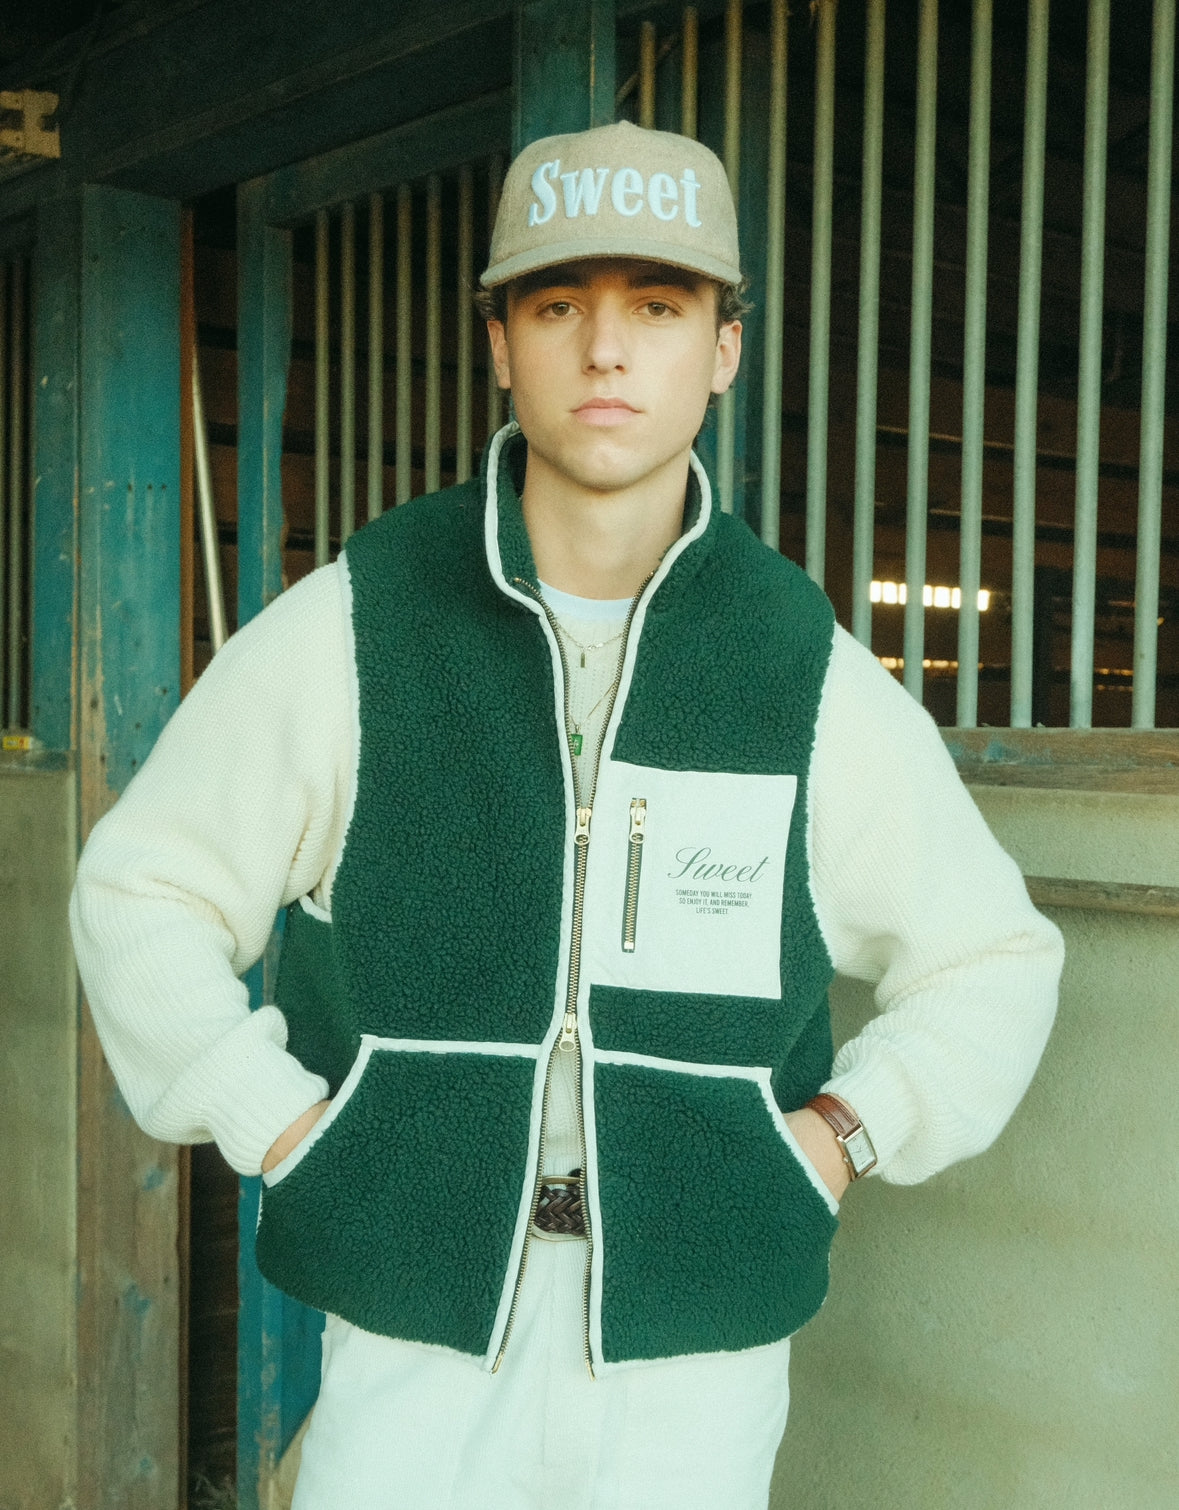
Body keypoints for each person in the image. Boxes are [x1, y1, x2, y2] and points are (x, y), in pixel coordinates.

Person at [70, 121, 1063, 1509]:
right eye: (557, 307)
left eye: (657, 307)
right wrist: (283, 1124)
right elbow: (142, 890)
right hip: (415, 1340)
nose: (606, 351)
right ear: (500, 343)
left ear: (723, 348)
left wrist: (843, 1132)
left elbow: (993, 959)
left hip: (696, 1356)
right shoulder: (361, 624)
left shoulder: (797, 665)